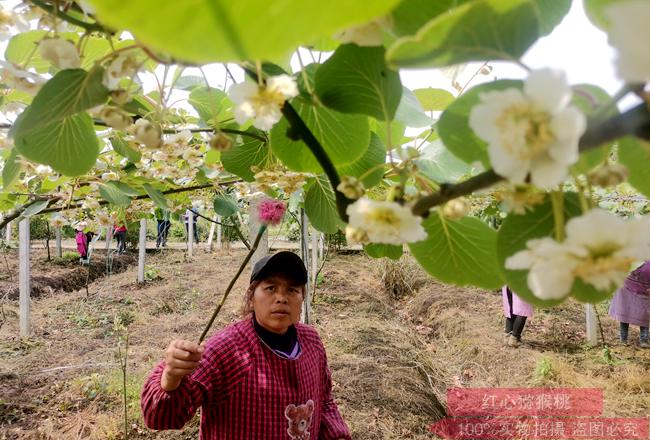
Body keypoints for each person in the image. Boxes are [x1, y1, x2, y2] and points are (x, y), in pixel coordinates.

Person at [141, 251, 352, 440]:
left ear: (302, 298)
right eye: (270, 288)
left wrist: (337, 435)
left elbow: (323, 400)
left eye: (292, 290)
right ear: (251, 298)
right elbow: (159, 418)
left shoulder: (311, 341)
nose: (281, 298)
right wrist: (170, 377)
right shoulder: (227, 350)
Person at [609, 261, 650, 348]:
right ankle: (624, 339)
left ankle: (643, 340)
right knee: (626, 313)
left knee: (643, 315)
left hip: (642, 290)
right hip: (626, 287)